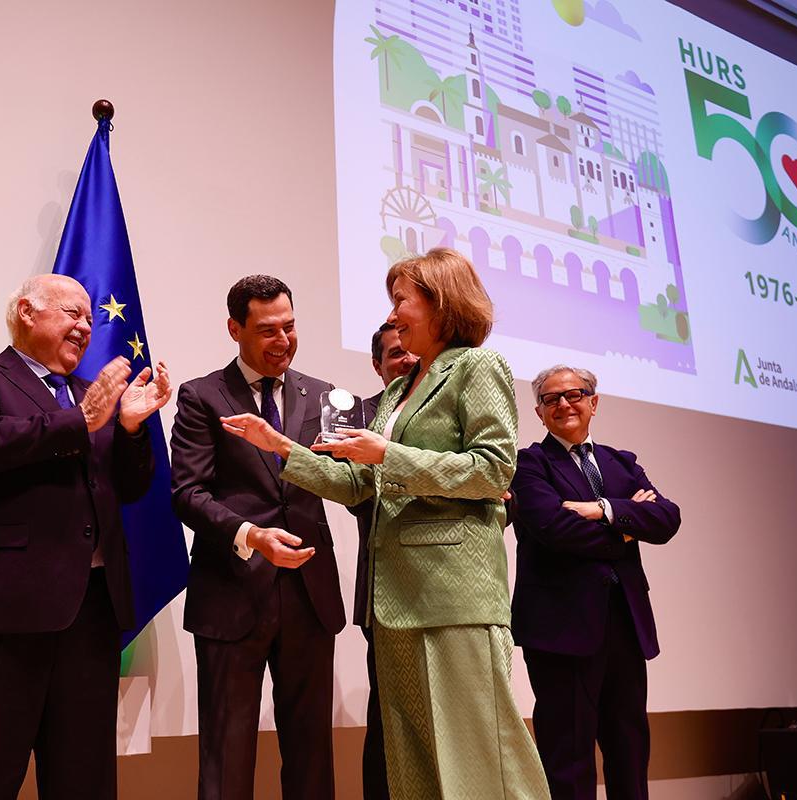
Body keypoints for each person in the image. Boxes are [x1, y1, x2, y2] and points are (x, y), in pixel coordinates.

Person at [221, 248, 548, 799]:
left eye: (402, 301)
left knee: (481, 756)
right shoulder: (399, 389)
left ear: (441, 303)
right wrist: (282, 448)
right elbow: (358, 486)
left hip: (454, 595)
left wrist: (385, 455)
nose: (392, 316)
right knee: (412, 760)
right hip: (395, 599)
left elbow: (494, 470)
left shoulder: (476, 367)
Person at [0, 273, 171, 800]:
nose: (86, 327)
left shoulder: (95, 397)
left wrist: (130, 429)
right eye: (73, 314)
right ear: (26, 312)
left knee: (83, 780)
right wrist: (81, 421)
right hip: (3, 613)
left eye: (89, 317)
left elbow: (131, 489)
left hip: (91, 615)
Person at [171, 275, 345, 800]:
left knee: (312, 753)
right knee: (227, 753)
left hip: (309, 595)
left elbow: (351, 483)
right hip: (231, 591)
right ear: (235, 329)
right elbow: (187, 492)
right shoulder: (203, 396)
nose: (283, 341)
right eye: (268, 330)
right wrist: (250, 534)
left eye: (290, 327)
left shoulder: (324, 396)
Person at [510, 365, 680, 800]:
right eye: (552, 399)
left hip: (625, 622)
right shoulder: (528, 463)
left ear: (594, 402)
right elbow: (554, 529)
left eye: (575, 394)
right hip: (559, 631)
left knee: (629, 749)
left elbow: (666, 519)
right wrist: (627, 522)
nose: (564, 403)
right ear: (540, 412)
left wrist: (601, 509)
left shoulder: (622, 463)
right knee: (567, 757)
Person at [350, 322, 417, 800]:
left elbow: (499, 496)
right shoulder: (357, 419)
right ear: (378, 366)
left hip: (452, 591)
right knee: (387, 719)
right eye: (396, 355)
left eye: (414, 351)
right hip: (385, 591)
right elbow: (358, 496)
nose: (408, 360)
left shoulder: (450, 408)